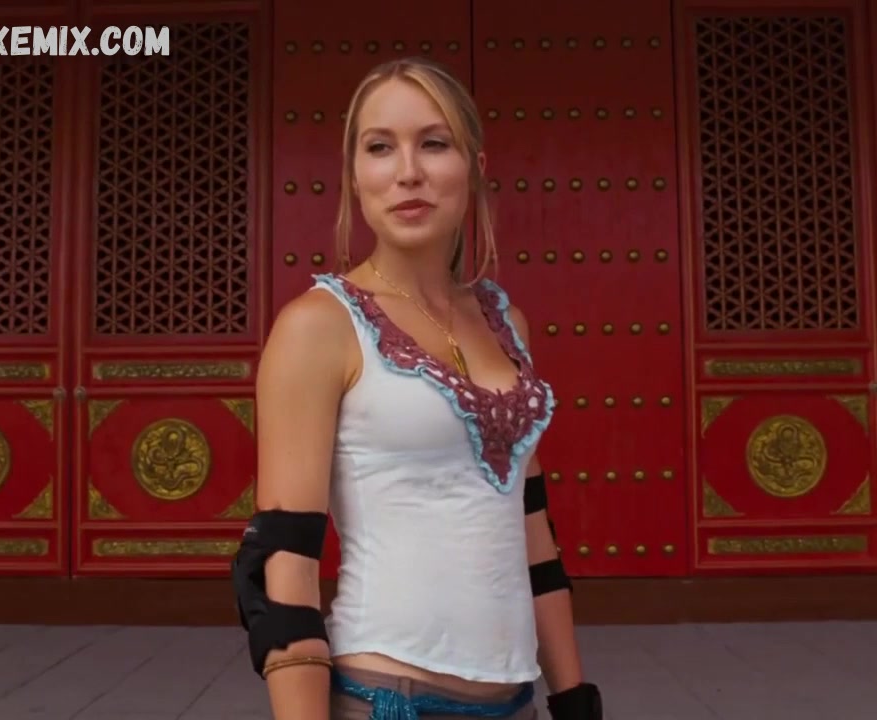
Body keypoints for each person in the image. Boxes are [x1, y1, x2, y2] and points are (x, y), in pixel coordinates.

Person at [229, 56, 604, 720]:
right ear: (355, 176)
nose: (408, 171)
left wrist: (574, 699)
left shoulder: (506, 323)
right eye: (380, 147)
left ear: (474, 168)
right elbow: (283, 565)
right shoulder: (319, 326)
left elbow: (532, 533)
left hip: (517, 700)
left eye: (434, 143)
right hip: (386, 698)